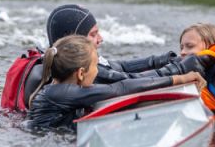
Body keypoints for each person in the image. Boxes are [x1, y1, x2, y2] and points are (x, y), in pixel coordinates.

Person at [0, 4, 205, 112]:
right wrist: (178, 72)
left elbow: (115, 67)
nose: (101, 39)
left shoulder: (53, 60)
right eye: (93, 34)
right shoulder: (63, 84)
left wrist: (164, 59)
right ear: (73, 41)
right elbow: (122, 83)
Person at [26, 35, 205, 128]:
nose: (97, 71)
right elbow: (120, 87)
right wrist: (179, 78)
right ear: (81, 73)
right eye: (96, 65)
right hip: (46, 143)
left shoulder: (61, 89)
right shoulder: (62, 92)